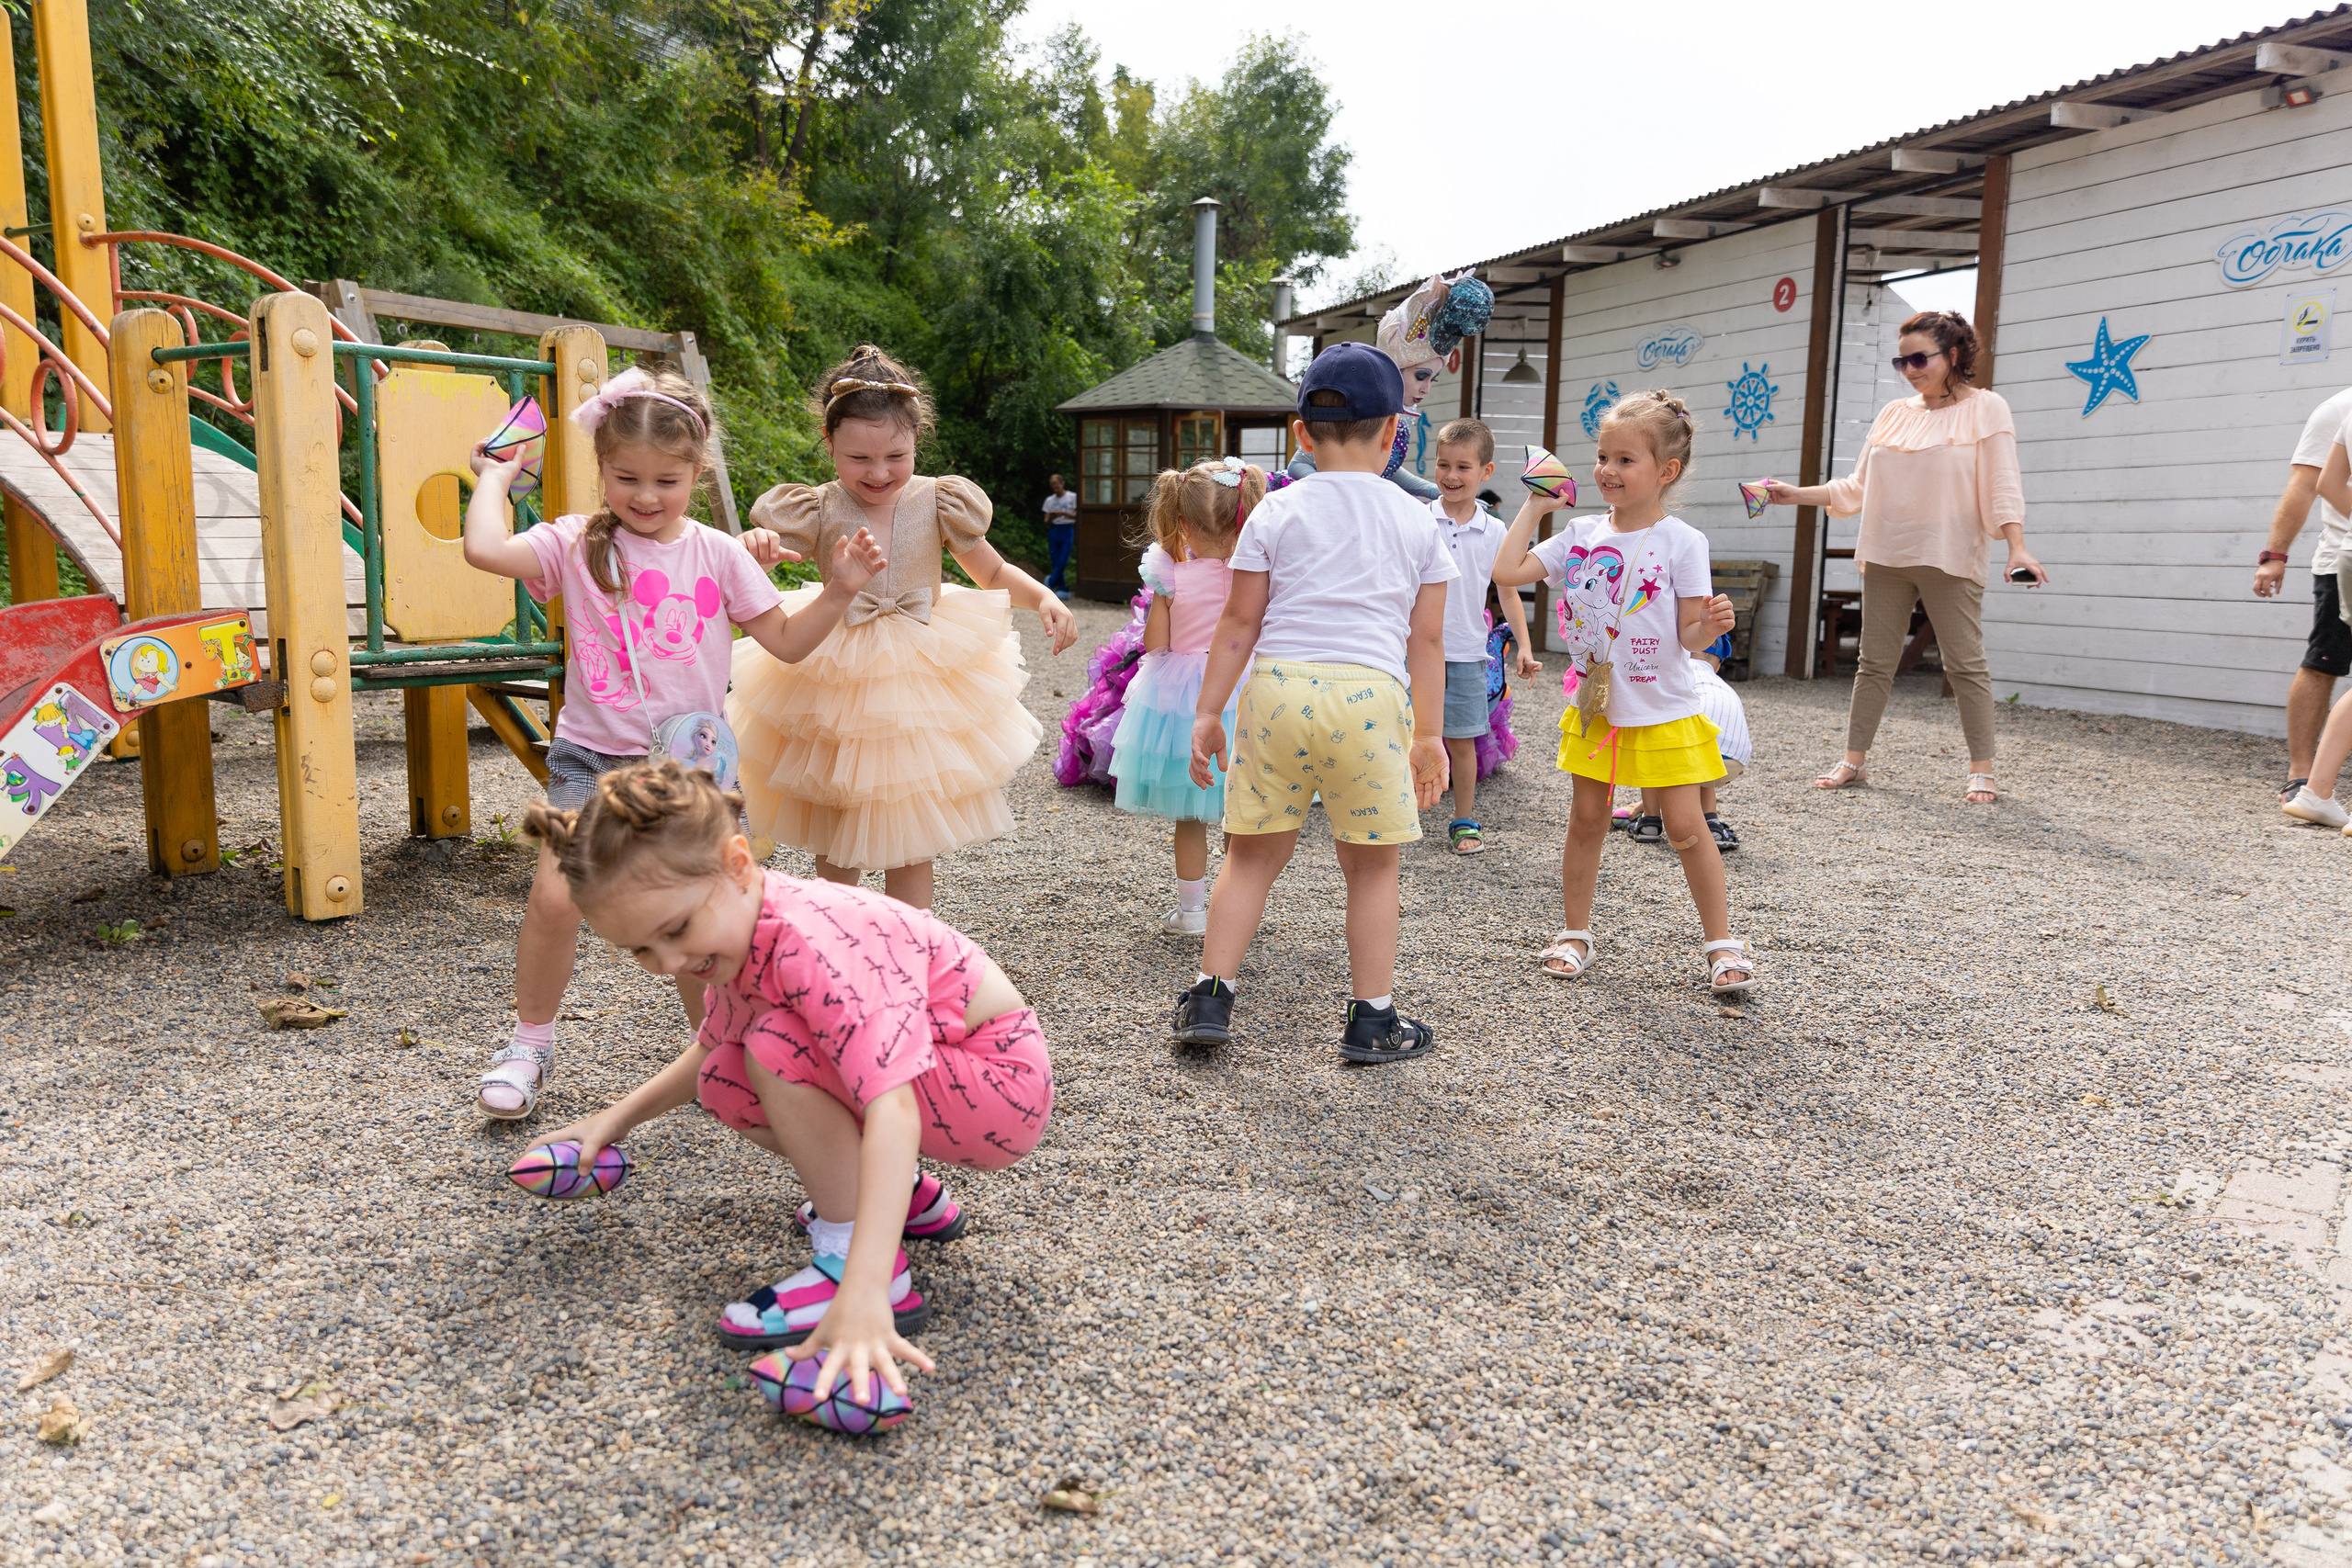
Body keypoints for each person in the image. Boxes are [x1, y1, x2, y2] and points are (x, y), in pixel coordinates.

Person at [529, 761, 1051, 1410]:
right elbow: (712, 1049)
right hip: (952, 1078)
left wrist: (864, 1284)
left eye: (675, 930)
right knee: (728, 1074)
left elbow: (893, 1106)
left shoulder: (815, 940)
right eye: (641, 951)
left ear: (737, 863)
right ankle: (904, 1198)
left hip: (996, 1083)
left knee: (775, 1046)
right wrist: (613, 1120)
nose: (668, 965)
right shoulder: (745, 926)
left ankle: (861, 1267)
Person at [458, 367, 885, 1122]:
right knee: (557, 896)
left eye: (667, 479)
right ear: (601, 471)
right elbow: (486, 553)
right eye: (626, 477)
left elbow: (784, 642)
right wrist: (497, 477)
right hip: (594, 758)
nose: (646, 496)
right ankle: (529, 1044)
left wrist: (840, 589)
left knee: (706, 916)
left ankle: (720, 1051)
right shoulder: (575, 543)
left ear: (698, 470)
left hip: (691, 769)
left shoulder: (719, 554)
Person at [1174, 342, 1455, 1064]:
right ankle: (1373, 1019)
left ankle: (1210, 994)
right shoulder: (1420, 519)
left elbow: (1238, 623)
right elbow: (1426, 641)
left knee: (1249, 860)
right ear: (1395, 431)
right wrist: (1430, 734)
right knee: (1371, 868)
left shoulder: (1275, 512)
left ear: (1301, 434)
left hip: (1279, 691)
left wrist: (1209, 712)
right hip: (1370, 697)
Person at [733, 345, 1078, 910]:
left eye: (895, 455)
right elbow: (765, 562)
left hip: (919, 666)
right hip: (837, 666)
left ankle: (912, 943)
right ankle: (836, 935)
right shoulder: (815, 508)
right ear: (829, 443)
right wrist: (758, 549)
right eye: (858, 459)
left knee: (910, 822)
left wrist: (1040, 595)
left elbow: (988, 570)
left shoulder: (938, 500)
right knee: (837, 810)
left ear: (918, 440)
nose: (878, 473)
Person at [1492, 389, 1751, 994]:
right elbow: (1505, 571)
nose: (1607, 469)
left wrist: (1708, 627)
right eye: (1603, 455)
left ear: (1666, 471)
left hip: (1662, 708)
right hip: (1597, 707)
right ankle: (1575, 933)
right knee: (1586, 819)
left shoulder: (1683, 541)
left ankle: (1721, 943)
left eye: (1625, 459)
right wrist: (1535, 508)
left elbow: (1688, 635)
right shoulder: (1580, 532)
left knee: (1688, 826)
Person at [1760, 310, 2043, 805]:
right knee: (1873, 663)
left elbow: (2002, 482)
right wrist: (1793, 494)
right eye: (1902, 360)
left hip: (1950, 553)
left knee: (1964, 665)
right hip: (1887, 551)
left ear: (1953, 355)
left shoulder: (1987, 408)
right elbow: (1856, 488)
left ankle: (1982, 769)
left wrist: (2016, 545)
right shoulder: (1894, 413)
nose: (1910, 369)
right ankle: (1853, 760)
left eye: (1920, 358)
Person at [1108, 456, 1261, 935]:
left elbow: (1157, 644)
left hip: (1184, 701)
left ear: (1181, 523)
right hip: (1248, 689)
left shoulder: (1170, 574)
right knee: (1244, 810)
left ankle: (1192, 913)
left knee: (1190, 813)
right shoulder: (1259, 573)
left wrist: (1163, 597)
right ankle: (1238, 908)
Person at [1284, 271, 1494, 502]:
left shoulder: (1402, 417)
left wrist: (1433, 491)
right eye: (1421, 376)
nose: (1426, 389)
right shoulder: (1364, 411)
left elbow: (1388, 470)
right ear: (1394, 369)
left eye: (1431, 380)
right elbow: (1299, 464)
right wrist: (1330, 496)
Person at [1430, 417, 1539, 854]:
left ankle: (1463, 819)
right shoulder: (1418, 520)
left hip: (1469, 652)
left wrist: (1526, 646)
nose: (1451, 476)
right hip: (1414, 650)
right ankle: (1397, 812)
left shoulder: (1497, 532)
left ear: (1486, 472)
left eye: (1463, 467)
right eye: (1443, 465)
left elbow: (1508, 592)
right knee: (1401, 734)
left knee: (1462, 739)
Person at [2255, 385, 2352, 805]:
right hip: (2340, 558)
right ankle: (2301, 774)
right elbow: (2306, 484)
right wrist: (2275, 555)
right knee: (2322, 664)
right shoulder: (2338, 408)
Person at [1626, 633, 1750, 851]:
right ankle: (1711, 823)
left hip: (1691, 757)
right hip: (1733, 761)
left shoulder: (1675, 677)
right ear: (1718, 666)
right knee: (1702, 759)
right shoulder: (1721, 686)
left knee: (1655, 743)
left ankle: (1650, 822)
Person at [1042, 473, 1078, 601]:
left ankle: (1050, 582)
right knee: (1055, 561)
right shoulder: (1049, 500)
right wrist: (1052, 516)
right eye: (1053, 487)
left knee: (1063, 561)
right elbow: (1046, 521)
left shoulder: (1072, 497)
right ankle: (1062, 588)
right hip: (1054, 530)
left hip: (1067, 529)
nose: (1055, 489)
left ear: (1062, 483)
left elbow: (1078, 515)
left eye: (1057, 486)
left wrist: (1064, 513)